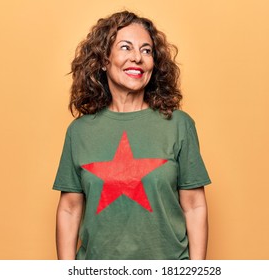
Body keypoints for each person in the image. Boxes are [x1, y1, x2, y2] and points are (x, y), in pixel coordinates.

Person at [53, 10, 211, 260]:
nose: (137, 57)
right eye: (126, 48)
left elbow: (194, 206)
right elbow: (70, 209)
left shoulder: (178, 125)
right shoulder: (79, 132)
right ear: (104, 60)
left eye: (147, 50)